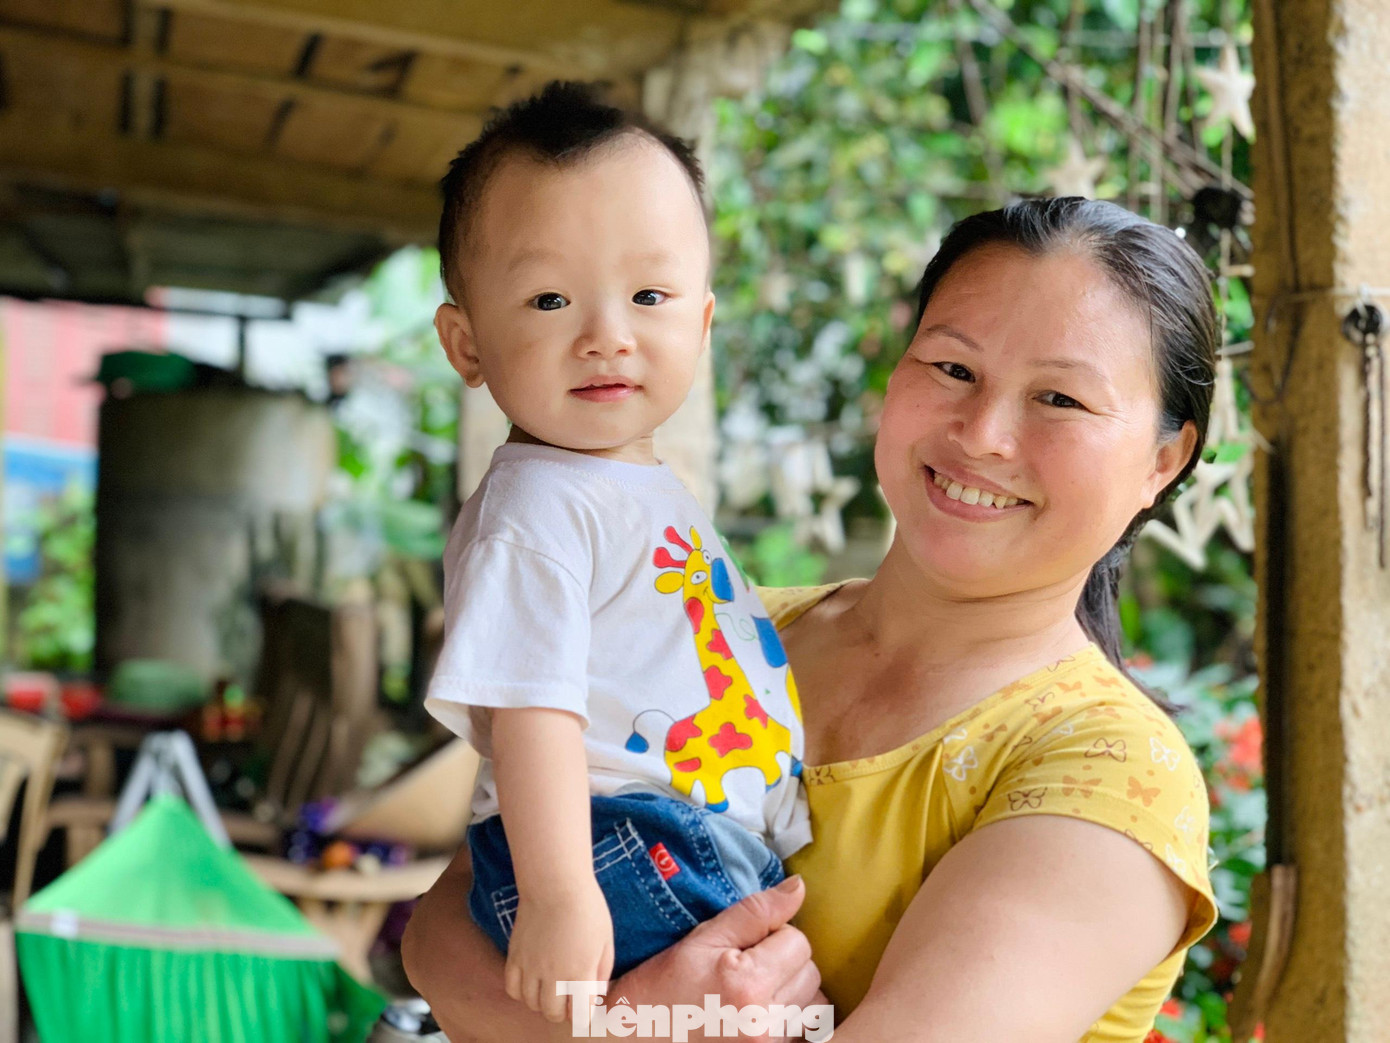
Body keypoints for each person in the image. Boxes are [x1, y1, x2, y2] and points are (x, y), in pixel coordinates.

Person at [405, 196, 1222, 1043]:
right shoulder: (734, 624)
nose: (982, 434)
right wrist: (629, 1029)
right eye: (952, 369)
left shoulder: (1113, 771)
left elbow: (470, 969)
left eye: (1059, 397)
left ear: (1163, 460)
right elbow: (441, 930)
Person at [424, 82, 812, 1025]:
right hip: (620, 846)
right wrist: (560, 893)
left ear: (703, 321)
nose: (607, 334)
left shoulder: (633, 488)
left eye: (649, 294)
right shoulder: (538, 505)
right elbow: (534, 709)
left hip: (669, 842)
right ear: (467, 341)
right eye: (551, 298)